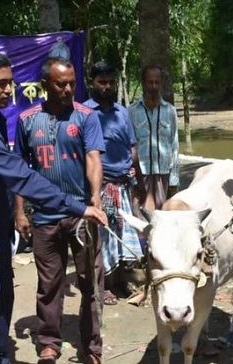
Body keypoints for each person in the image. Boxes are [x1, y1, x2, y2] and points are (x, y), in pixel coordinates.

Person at [0, 52, 107, 363]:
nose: (8, 90)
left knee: (0, 305)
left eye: (10, 84)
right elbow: (20, 174)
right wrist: (77, 207)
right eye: (0, 84)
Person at [14, 57, 105, 364]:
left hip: (82, 216)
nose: (68, 89)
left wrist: (95, 198)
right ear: (45, 85)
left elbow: (93, 159)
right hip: (44, 218)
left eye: (71, 83)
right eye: (60, 84)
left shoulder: (86, 117)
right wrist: (20, 212)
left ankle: (92, 346)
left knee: (90, 282)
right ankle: (50, 342)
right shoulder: (27, 119)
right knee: (49, 283)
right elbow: (20, 170)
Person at [82, 61, 143, 305]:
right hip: (101, 185)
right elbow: (84, 154)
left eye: (110, 81)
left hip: (124, 184)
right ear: (92, 83)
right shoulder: (84, 113)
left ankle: (120, 281)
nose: (107, 86)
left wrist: (138, 179)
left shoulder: (122, 112)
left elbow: (132, 146)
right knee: (103, 237)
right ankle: (104, 285)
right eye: (102, 82)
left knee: (123, 235)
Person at [127, 64, 180, 210]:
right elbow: (128, 147)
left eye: (157, 82)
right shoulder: (131, 111)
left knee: (163, 219)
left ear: (162, 83)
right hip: (140, 176)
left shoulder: (170, 111)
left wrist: (174, 180)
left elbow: (174, 146)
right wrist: (132, 179)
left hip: (163, 175)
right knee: (140, 219)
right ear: (144, 83)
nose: (154, 86)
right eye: (150, 82)